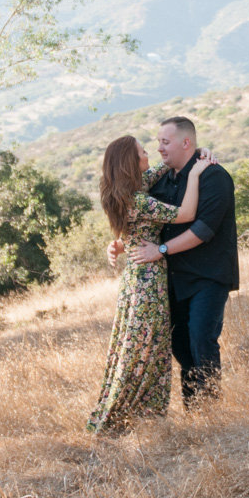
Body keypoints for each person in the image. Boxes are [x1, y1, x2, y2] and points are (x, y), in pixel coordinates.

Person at [87, 135, 212, 434]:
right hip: (148, 280)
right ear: (132, 162)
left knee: (141, 349)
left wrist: (195, 152)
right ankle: (124, 421)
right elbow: (187, 214)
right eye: (143, 152)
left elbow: (161, 167)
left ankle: (141, 420)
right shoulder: (139, 199)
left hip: (136, 277)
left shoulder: (129, 190)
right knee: (145, 351)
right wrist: (195, 173)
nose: (149, 154)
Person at [112, 116, 239, 407]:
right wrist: (121, 243)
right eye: (156, 143)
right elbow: (146, 221)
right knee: (179, 344)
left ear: (186, 143)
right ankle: (194, 409)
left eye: (164, 142)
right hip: (173, 278)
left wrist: (162, 250)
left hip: (208, 276)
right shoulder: (161, 180)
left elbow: (202, 230)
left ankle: (210, 410)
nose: (158, 148)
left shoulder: (213, 176)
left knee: (201, 339)